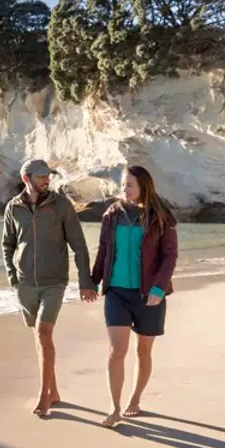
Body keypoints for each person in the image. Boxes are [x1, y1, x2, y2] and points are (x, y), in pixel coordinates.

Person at [1, 159, 97, 417]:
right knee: (40, 338)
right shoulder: (13, 208)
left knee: (43, 334)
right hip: (25, 284)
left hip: (54, 282)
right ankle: (53, 391)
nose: (46, 180)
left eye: (48, 176)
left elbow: (78, 245)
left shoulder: (61, 205)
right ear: (26, 178)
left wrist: (85, 282)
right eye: (41, 176)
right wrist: (13, 278)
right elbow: (7, 245)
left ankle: (44, 397)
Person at [91, 165, 179, 427]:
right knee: (117, 350)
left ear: (144, 187)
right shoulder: (112, 215)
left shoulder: (161, 216)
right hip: (117, 292)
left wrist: (158, 289)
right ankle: (114, 407)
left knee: (143, 350)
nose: (124, 189)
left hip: (149, 294)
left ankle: (135, 399)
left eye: (129, 185)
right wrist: (92, 281)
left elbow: (169, 256)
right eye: (122, 184)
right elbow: (104, 250)